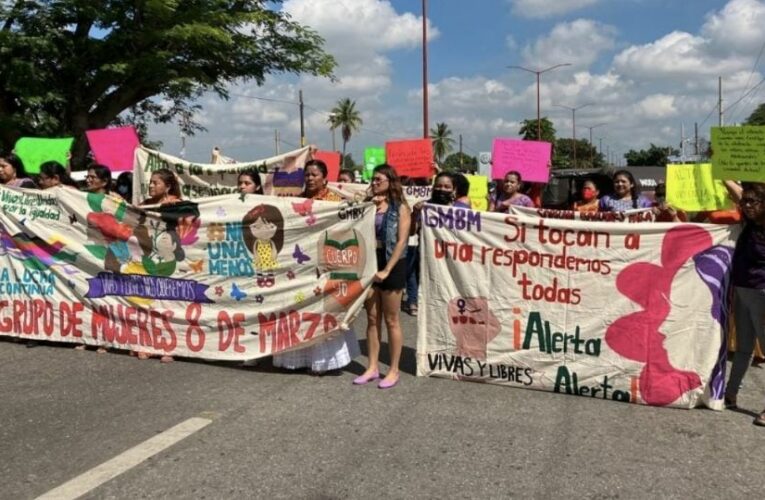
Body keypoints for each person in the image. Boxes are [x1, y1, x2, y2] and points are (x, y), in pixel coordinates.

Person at [272, 159, 359, 374]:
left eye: (314, 175)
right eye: (307, 175)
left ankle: (326, 361)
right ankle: (296, 359)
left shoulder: (335, 202)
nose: (310, 179)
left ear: (325, 177)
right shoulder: (297, 202)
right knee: (301, 308)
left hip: (326, 264)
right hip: (301, 266)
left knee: (323, 310)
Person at [354, 164, 411, 389]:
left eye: (378, 179)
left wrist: (387, 269)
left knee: (391, 319)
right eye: (373, 180)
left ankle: (394, 369)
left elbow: (401, 241)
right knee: (371, 317)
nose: (374, 183)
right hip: (370, 261)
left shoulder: (400, 208)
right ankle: (372, 366)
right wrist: (367, 202)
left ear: (390, 181)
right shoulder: (368, 205)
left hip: (392, 263)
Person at [724, 182, 765, 426]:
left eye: (753, 202)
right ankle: (730, 394)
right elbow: (735, 191)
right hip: (742, 291)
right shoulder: (750, 224)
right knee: (743, 348)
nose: (747, 206)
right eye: (745, 202)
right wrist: (721, 164)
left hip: (761, 294)